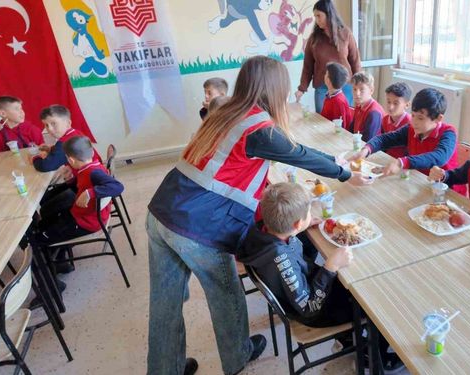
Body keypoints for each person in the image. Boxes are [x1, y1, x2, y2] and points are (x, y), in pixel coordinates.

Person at [146, 56, 372, 375]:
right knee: (226, 295)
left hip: (161, 210)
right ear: (273, 89)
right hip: (195, 225)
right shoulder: (257, 127)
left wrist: (335, 162)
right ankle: (239, 357)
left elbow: (236, 166)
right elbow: (298, 154)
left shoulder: (225, 111)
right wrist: (344, 172)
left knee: (164, 302)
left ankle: (164, 370)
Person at [237, 182, 405, 373]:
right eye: (306, 215)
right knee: (375, 300)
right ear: (296, 223)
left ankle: (348, 337)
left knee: (355, 283)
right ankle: (376, 359)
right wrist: (330, 267)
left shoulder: (262, 230)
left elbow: (289, 241)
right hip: (314, 310)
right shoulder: (279, 258)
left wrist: (302, 226)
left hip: (304, 287)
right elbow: (309, 307)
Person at [35, 136, 123, 287]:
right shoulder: (90, 166)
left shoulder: (94, 172)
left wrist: (90, 193)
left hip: (86, 222)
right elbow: (82, 183)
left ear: (71, 160)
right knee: (45, 222)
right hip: (84, 215)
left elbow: (118, 187)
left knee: (36, 242)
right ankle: (61, 262)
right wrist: (72, 182)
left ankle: (54, 286)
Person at [348, 88, 464, 196]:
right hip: (421, 185)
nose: (414, 122)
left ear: (438, 119)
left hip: (447, 192)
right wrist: (366, 149)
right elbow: (384, 139)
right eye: (413, 115)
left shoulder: (448, 133)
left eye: (420, 118)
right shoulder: (411, 128)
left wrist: (401, 163)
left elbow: (440, 157)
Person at [295, 0, 361, 113]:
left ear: (329, 14)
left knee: (344, 121)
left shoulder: (346, 34)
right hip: (322, 86)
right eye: (315, 16)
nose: (316, 20)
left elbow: (355, 60)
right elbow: (308, 66)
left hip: (345, 85)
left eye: (319, 16)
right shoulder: (314, 38)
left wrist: (359, 84)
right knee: (322, 121)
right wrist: (302, 88)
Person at [348, 71, 384, 143]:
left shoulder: (374, 113)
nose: (357, 94)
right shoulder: (359, 105)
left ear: (371, 90)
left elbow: (367, 141)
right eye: (354, 89)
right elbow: (351, 129)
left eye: (362, 89)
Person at [320, 62, 353, 128]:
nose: (324, 76)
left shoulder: (338, 102)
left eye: (326, 74)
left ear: (329, 80)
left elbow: (340, 128)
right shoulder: (329, 96)